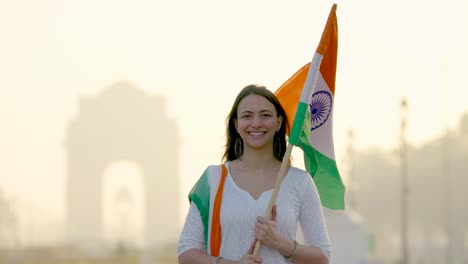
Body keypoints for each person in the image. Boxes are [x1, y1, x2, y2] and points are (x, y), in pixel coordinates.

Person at [177, 84, 331, 264]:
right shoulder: (214, 178)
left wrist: (279, 242)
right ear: (236, 124)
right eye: (247, 116)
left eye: (265, 115)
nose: (256, 123)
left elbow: (323, 256)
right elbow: (186, 251)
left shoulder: (300, 182)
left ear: (279, 123)